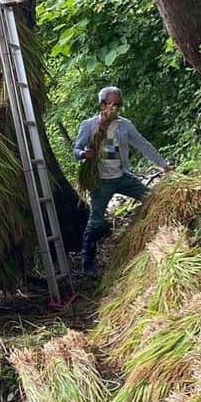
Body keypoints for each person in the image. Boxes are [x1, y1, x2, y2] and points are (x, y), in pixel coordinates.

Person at [73, 86, 173, 278]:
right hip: (101, 182)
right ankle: (88, 264)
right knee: (95, 221)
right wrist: (84, 154)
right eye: (112, 104)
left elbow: (143, 144)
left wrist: (164, 165)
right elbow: (76, 149)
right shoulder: (89, 125)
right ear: (102, 105)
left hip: (122, 177)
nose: (116, 109)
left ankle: (154, 237)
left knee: (151, 198)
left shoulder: (125, 125)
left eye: (119, 105)